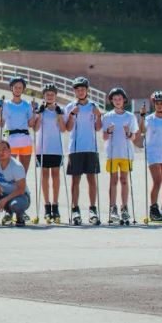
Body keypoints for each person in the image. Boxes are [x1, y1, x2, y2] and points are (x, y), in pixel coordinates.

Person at [65, 76, 102, 225]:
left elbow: (98, 128)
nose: (80, 92)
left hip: (91, 148)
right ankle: (75, 209)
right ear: (74, 91)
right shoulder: (69, 107)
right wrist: (73, 114)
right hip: (75, 148)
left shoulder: (93, 105)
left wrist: (98, 115)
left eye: (83, 89)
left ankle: (93, 209)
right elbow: (67, 128)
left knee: (92, 179)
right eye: (77, 89)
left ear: (87, 90)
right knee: (75, 180)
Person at [31, 84, 67, 223]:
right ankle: (47, 206)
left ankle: (55, 205)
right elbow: (35, 128)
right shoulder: (40, 110)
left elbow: (63, 129)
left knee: (56, 176)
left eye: (52, 94)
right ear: (44, 96)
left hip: (56, 148)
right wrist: (38, 114)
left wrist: (59, 115)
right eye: (47, 94)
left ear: (55, 95)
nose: (50, 96)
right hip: (43, 148)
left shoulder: (60, 110)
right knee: (45, 175)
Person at [139, 90, 162, 222]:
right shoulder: (150, 119)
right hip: (153, 153)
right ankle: (153, 210)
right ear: (154, 103)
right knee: (157, 181)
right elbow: (142, 131)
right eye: (157, 103)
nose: (159, 105)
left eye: (161, 102)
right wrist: (142, 116)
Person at [101, 87, 136, 225]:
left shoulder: (130, 116)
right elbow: (104, 137)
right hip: (112, 154)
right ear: (111, 101)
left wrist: (128, 133)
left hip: (126, 153)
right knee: (113, 180)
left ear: (124, 100)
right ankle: (112, 207)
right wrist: (108, 131)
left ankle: (124, 208)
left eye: (119, 99)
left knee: (124, 180)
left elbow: (133, 137)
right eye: (114, 99)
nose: (117, 101)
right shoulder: (107, 116)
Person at [0, 77, 35, 172]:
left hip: (26, 141)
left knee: (23, 173)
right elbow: (2, 124)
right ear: (11, 88)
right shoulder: (5, 104)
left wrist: (34, 111)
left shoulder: (27, 105)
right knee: (9, 172)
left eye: (20, 88)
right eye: (15, 87)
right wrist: (4, 140)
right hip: (11, 141)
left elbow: (31, 125)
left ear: (23, 89)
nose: (18, 89)